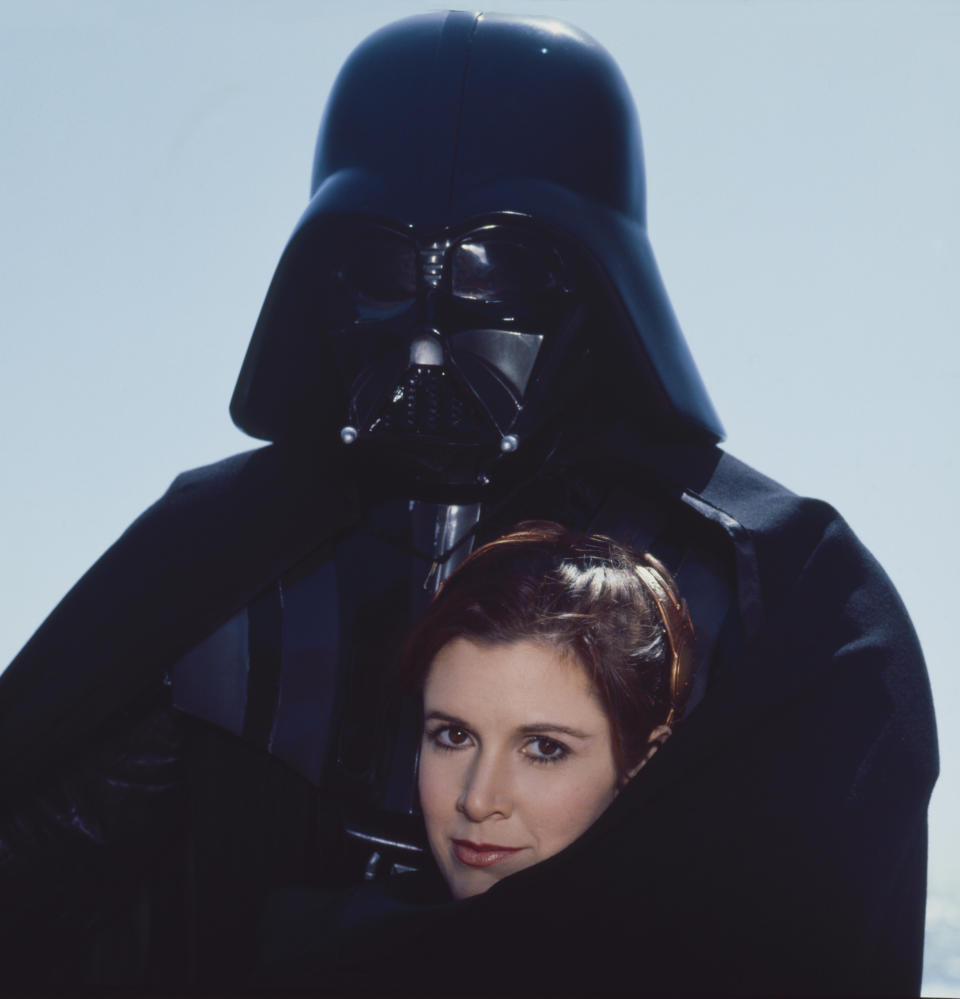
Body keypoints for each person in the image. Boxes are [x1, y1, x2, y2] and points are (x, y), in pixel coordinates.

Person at [0, 10, 937, 994]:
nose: (427, 339)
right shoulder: (209, 565)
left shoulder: (781, 603)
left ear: (593, 286)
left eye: (493, 272)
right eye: (380, 273)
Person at [260, 521, 694, 983]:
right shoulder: (310, 946)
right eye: (454, 736)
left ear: (642, 766)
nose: (478, 800)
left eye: (544, 748)